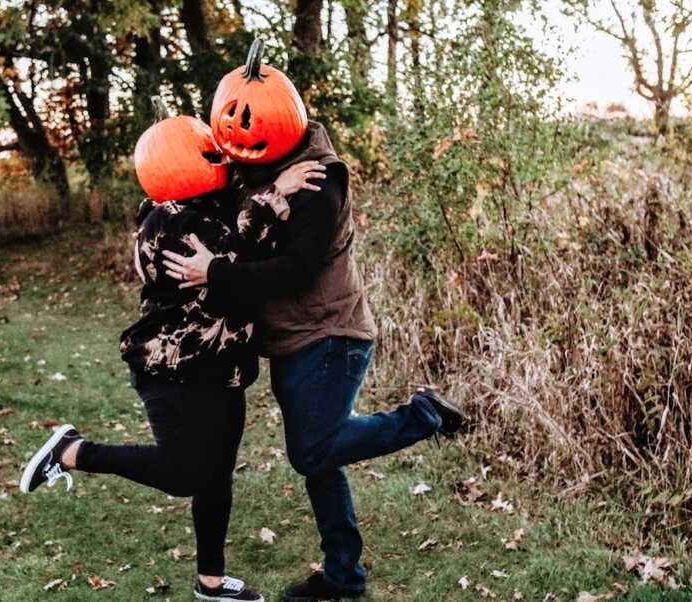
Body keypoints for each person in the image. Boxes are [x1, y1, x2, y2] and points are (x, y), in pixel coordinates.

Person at [163, 40, 469, 602]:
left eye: (250, 123)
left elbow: (296, 269)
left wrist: (217, 274)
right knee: (321, 459)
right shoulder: (261, 168)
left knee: (312, 450)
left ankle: (423, 416)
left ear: (284, 122)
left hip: (330, 335)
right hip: (294, 339)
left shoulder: (319, 183)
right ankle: (343, 578)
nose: (236, 141)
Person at [19, 108, 326, 602]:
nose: (219, 158)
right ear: (171, 165)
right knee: (188, 473)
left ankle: (210, 582)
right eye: (208, 152)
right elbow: (230, 258)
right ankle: (71, 452)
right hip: (173, 370)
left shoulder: (213, 205)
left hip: (221, 368)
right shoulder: (167, 221)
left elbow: (250, 251)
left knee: (216, 477)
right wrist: (278, 193)